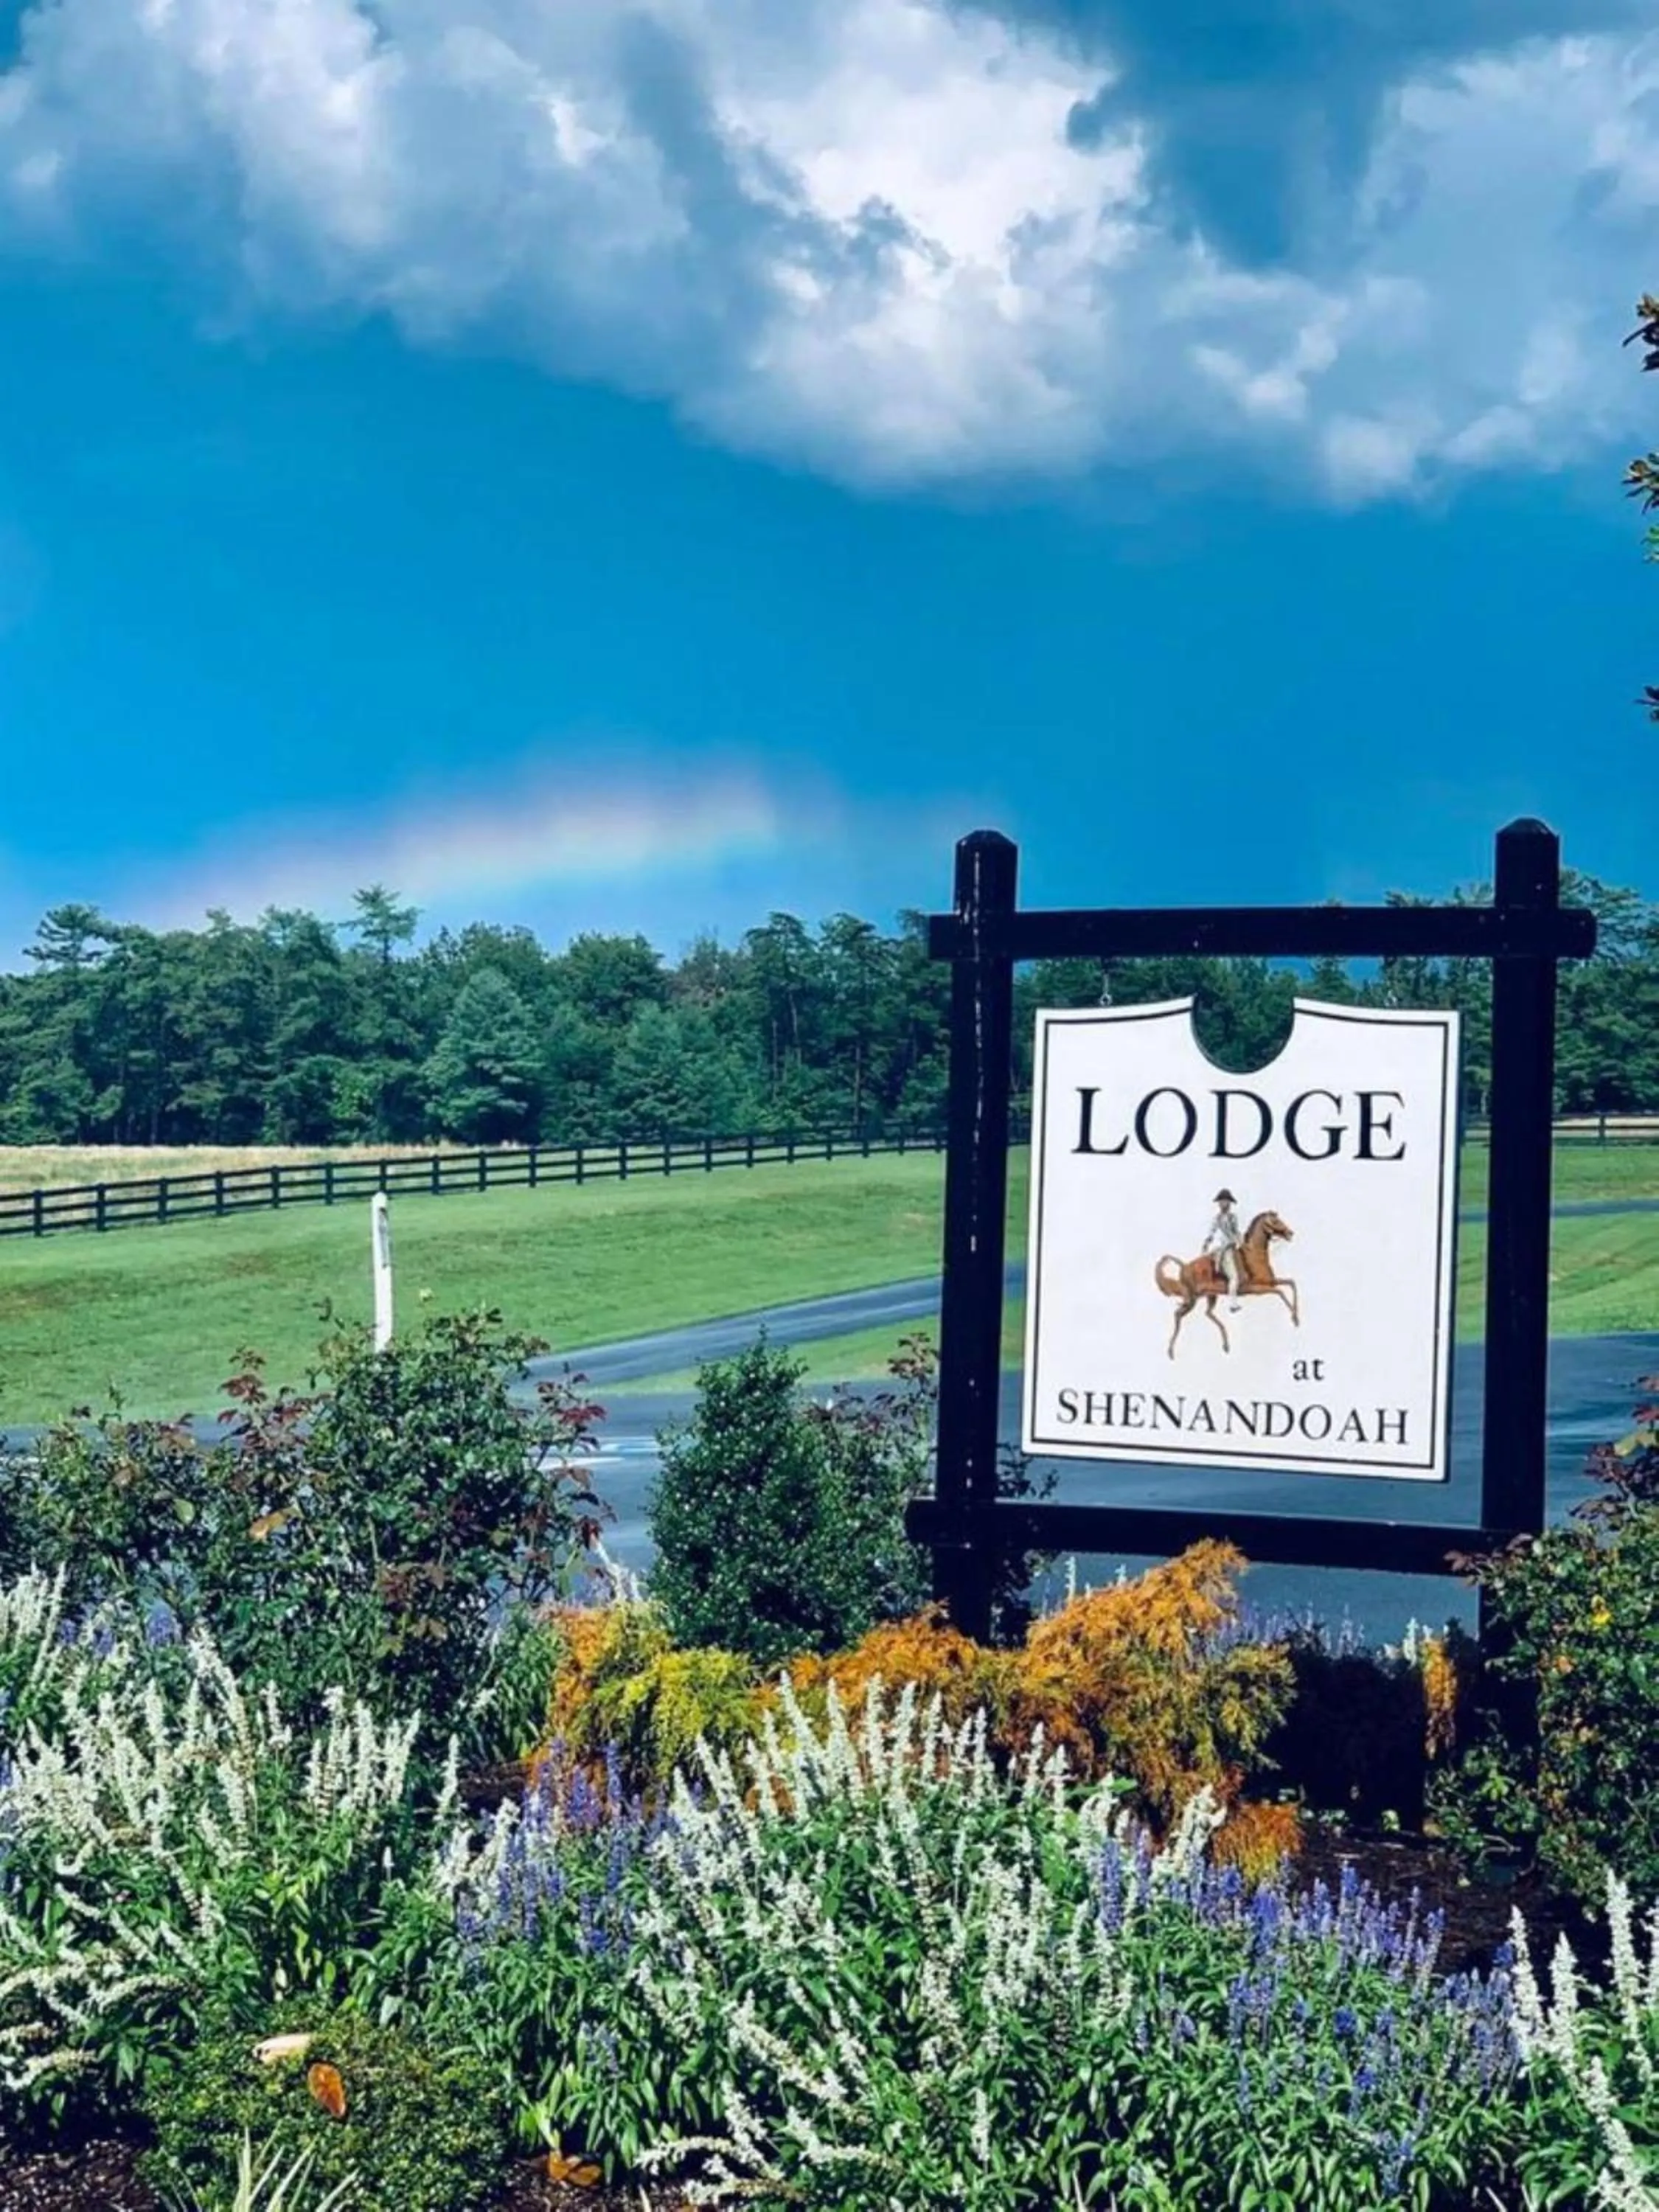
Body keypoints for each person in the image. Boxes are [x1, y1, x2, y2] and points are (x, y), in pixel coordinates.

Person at [1203, 1188, 1243, 1312]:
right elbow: (1211, 1232)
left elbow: (1236, 1231)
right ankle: (1233, 1304)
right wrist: (1207, 1242)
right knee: (1234, 1277)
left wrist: (1241, 1241)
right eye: (1222, 1201)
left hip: (1234, 1246)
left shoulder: (1233, 1217)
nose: (1224, 1204)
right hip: (1225, 1249)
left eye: (1226, 1201)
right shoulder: (1217, 1219)